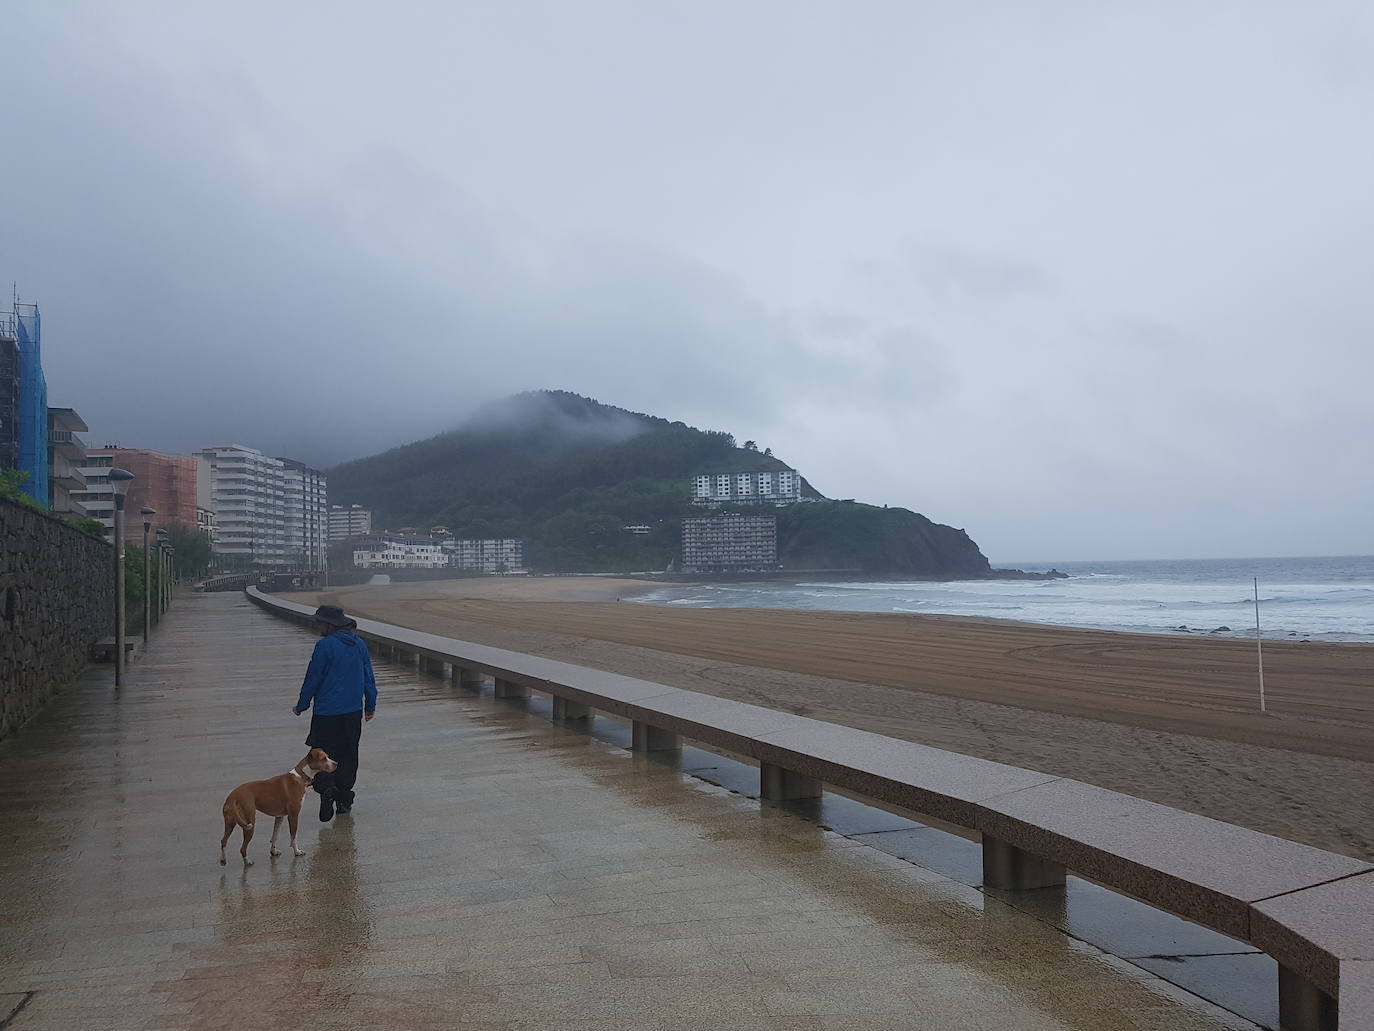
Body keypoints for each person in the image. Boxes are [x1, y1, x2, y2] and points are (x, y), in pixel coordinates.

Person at [292, 604, 378, 821]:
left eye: (319, 622)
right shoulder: (359, 644)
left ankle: (326, 788)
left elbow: (313, 679)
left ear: (329, 625)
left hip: (326, 715)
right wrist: (370, 704)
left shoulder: (324, 646)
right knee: (348, 756)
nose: (317, 625)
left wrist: (301, 705)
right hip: (351, 714)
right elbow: (368, 676)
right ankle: (344, 800)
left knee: (320, 757)